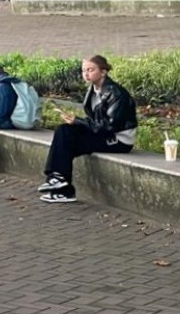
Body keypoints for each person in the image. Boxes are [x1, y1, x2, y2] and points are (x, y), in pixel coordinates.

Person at [39, 55, 138, 204]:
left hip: (118, 139)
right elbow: (95, 121)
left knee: (67, 140)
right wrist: (77, 123)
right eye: (84, 70)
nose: (86, 74)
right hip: (101, 133)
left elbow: (110, 126)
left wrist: (78, 121)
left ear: (103, 72)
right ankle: (59, 181)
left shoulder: (116, 93)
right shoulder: (93, 90)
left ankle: (62, 187)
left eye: (90, 70)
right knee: (64, 131)